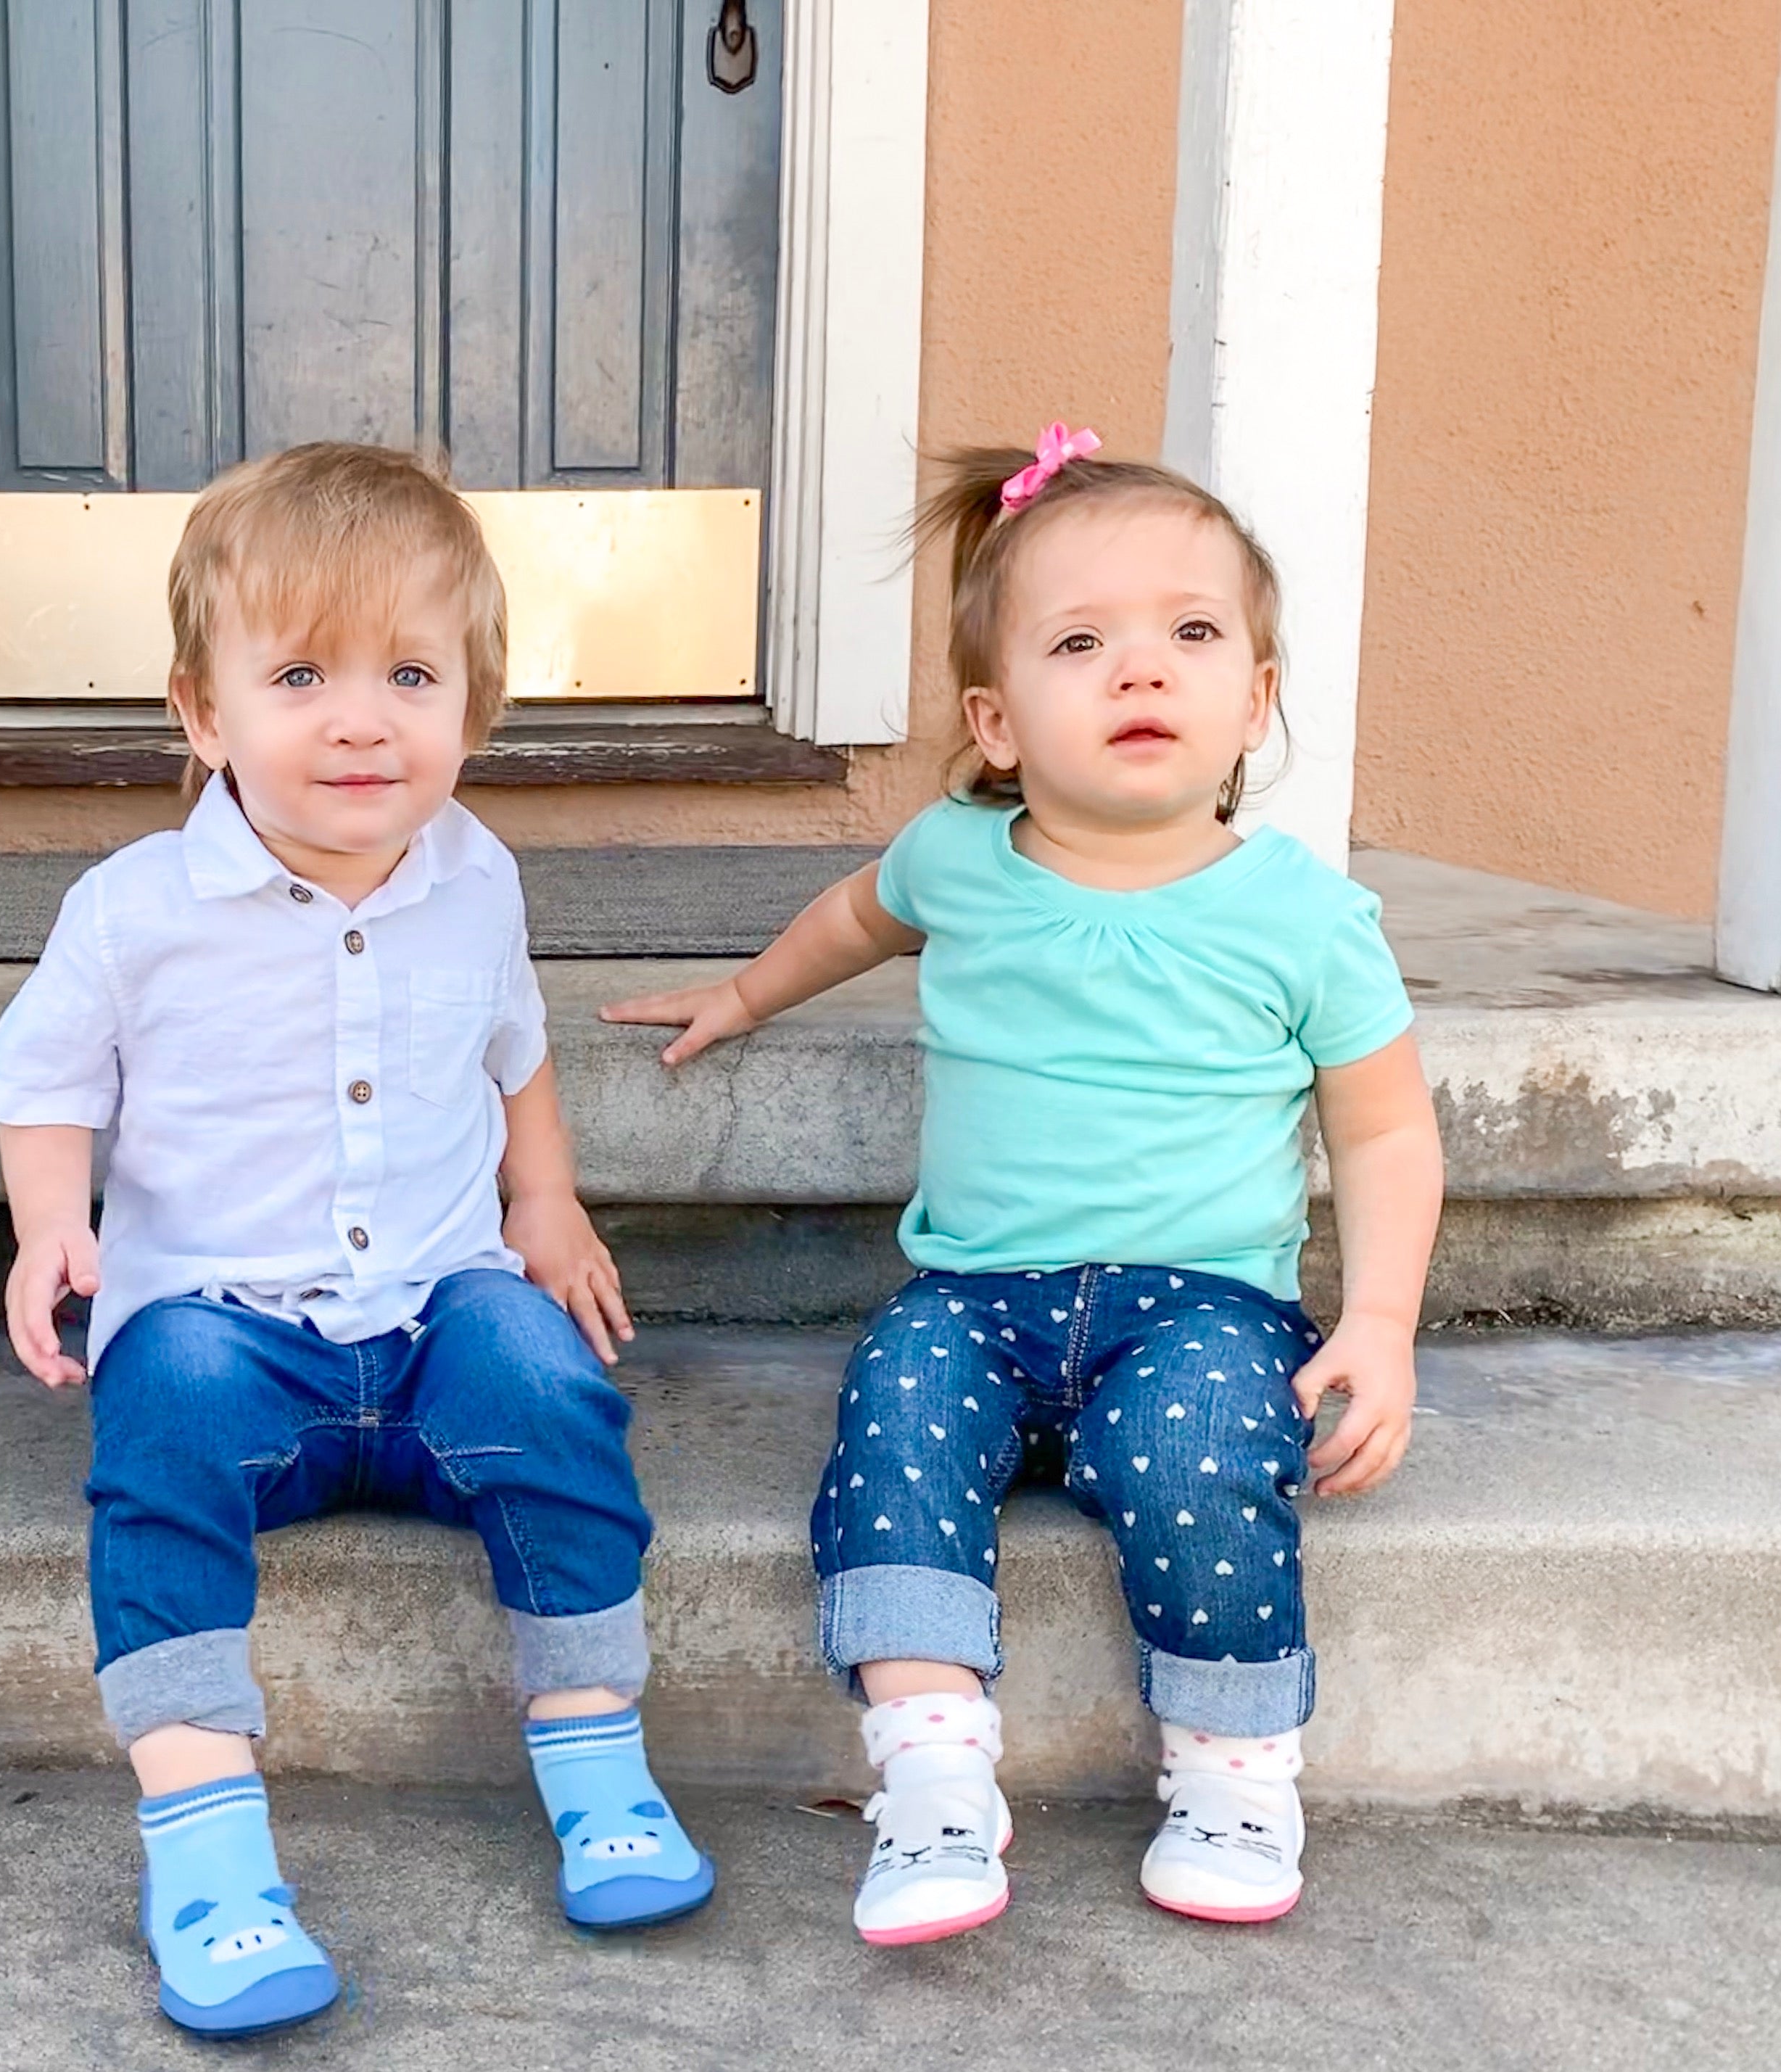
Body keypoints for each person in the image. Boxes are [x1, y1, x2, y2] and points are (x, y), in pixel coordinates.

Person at [608, 425, 1442, 1941]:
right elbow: (853, 918)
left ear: (1256, 697)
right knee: (892, 1413)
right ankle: (932, 1775)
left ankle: (1234, 1771)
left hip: (1204, 1307)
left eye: (1192, 635)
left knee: (1199, 1456)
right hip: (976, 1296)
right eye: (1081, 643)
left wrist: (1378, 1320)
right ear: (995, 721)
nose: (1142, 670)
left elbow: (1384, 1130)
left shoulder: (1304, 917)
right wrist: (740, 994)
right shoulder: (957, 859)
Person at [0, 443, 714, 2037]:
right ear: (203, 711)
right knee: (160, 1409)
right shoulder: (135, 908)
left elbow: (515, 1050)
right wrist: (48, 1231)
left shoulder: (478, 878)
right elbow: (43, 1087)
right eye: (300, 675)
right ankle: (206, 1850)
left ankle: (598, 1764)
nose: (361, 719)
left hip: (434, 1317)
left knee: (549, 1380)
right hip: (227, 1332)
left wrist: (544, 1202)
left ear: (475, 707)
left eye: (409, 676)